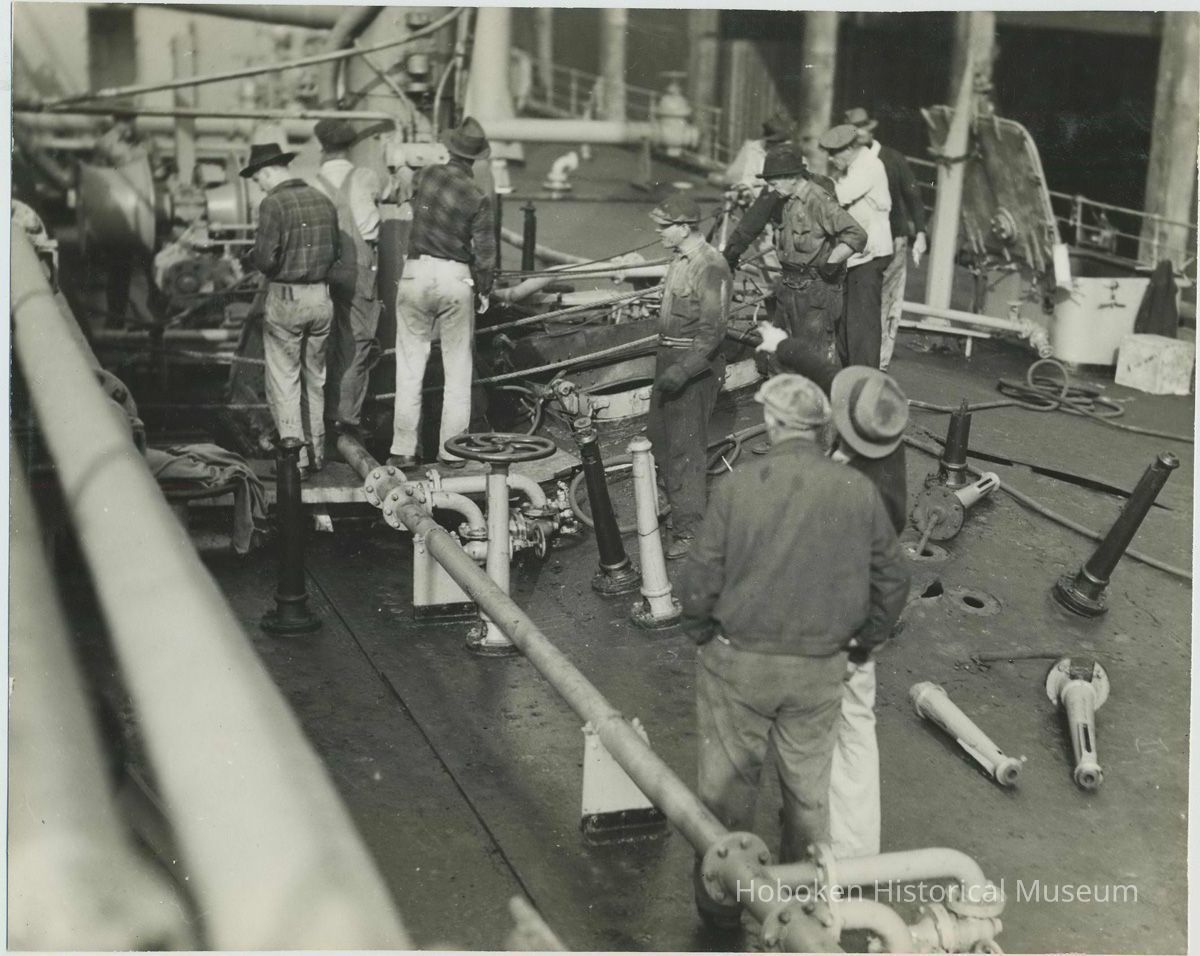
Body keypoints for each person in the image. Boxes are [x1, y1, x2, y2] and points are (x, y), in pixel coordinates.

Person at [678, 373, 910, 926]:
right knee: (808, 799)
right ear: (820, 425)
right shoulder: (857, 491)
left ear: (773, 423)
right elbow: (895, 582)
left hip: (740, 666)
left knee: (727, 792)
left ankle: (719, 909)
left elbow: (699, 580)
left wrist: (701, 631)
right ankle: (801, 910)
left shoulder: (739, 486)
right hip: (818, 673)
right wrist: (860, 645)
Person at [756, 328, 910, 859]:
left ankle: (811, 854)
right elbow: (834, 377)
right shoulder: (888, 446)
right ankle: (856, 855)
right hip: (859, 634)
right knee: (855, 736)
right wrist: (782, 345)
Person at [389, 117, 495, 471]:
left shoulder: (430, 176)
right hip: (455, 278)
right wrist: (484, 289)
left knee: (408, 367)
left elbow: (408, 184)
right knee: (458, 370)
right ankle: (451, 452)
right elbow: (485, 253)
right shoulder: (478, 198)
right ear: (475, 159)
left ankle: (403, 450)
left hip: (416, 273)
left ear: (450, 150)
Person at [242, 142, 340, 476]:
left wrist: (252, 257)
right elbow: (336, 252)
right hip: (322, 299)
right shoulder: (324, 200)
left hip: (287, 300)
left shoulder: (273, 204)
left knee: (284, 383)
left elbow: (266, 258)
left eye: (258, 180)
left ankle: (293, 463)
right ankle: (317, 456)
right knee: (315, 381)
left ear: (268, 172)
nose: (259, 187)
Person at [725, 143, 867, 369]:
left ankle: (821, 401)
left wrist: (830, 263)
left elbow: (856, 234)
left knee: (814, 358)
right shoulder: (785, 199)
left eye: (774, 182)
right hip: (789, 287)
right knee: (780, 352)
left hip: (815, 291)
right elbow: (750, 226)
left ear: (791, 177)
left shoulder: (818, 199)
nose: (770, 189)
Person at [646, 191, 731, 560]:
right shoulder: (679, 259)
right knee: (660, 441)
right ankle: (678, 512)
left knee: (686, 449)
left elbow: (712, 332)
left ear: (683, 227)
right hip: (668, 358)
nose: (659, 233)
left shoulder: (711, 266)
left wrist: (683, 371)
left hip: (691, 368)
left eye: (664, 228)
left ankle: (690, 530)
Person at [312, 117, 383, 440]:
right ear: (350, 148)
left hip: (323, 267)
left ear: (322, 149)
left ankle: (319, 419)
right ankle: (346, 418)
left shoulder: (313, 183)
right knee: (357, 342)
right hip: (360, 265)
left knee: (323, 341)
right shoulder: (365, 177)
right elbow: (393, 189)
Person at [844, 107, 928, 371]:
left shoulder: (892, 159)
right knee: (857, 299)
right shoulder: (846, 159)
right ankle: (853, 355)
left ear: (872, 128)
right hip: (857, 241)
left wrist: (921, 233)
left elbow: (912, 195)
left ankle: (879, 361)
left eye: (862, 127)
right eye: (853, 128)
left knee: (887, 300)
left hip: (892, 240)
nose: (858, 133)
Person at [820, 124, 893, 369]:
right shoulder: (849, 168)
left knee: (862, 323)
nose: (831, 158)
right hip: (853, 255)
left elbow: (839, 195)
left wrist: (810, 183)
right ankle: (848, 373)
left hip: (870, 254)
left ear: (851, 147)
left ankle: (864, 378)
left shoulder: (870, 166)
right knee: (845, 321)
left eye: (835, 152)